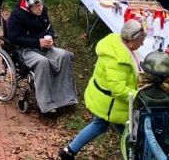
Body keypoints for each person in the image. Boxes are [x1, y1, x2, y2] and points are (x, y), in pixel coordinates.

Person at [58, 20, 146, 159]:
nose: (142, 44)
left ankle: (69, 151)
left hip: (105, 98)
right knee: (125, 131)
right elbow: (118, 90)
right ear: (130, 41)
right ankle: (133, 156)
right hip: (110, 103)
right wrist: (140, 95)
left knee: (102, 125)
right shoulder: (118, 60)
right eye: (141, 41)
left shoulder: (118, 44)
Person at [7, 0, 78, 114]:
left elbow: (48, 27)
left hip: (45, 46)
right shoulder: (16, 15)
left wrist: (50, 37)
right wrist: (37, 42)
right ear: (29, 7)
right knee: (43, 62)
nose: (40, 8)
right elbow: (14, 37)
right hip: (26, 49)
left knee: (64, 56)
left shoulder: (42, 10)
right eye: (37, 6)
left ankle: (66, 99)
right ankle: (47, 105)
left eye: (41, 4)